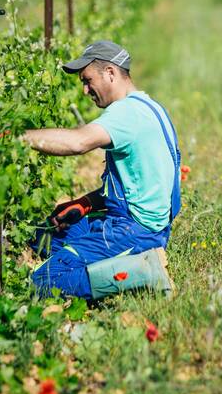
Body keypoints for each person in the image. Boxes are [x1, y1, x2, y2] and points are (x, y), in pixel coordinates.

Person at [22, 40, 180, 299]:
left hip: (135, 232)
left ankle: (143, 271)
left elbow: (78, 142)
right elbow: (138, 183)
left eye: (87, 80)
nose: (85, 90)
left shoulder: (126, 114)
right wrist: (85, 203)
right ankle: (110, 263)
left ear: (110, 73)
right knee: (43, 237)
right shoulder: (149, 106)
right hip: (135, 223)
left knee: (43, 282)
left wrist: (18, 138)